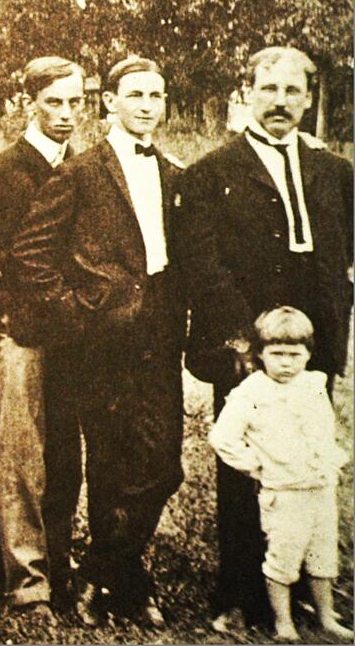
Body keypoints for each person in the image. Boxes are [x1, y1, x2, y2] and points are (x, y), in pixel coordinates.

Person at [176, 45, 353, 633]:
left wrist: (333, 325)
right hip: (249, 344)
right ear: (247, 92)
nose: (281, 102)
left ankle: (301, 585)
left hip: (315, 344)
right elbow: (202, 265)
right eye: (269, 89)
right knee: (249, 467)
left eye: (293, 92)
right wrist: (245, 340)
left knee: (303, 462)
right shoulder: (211, 174)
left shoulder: (335, 172)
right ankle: (242, 592)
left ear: (308, 97)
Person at [11, 56, 184, 628]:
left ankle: (100, 572)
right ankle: (128, 587)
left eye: (156, 96)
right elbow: (30, 256)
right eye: (134, 95)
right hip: (100, 340)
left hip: (158, 338)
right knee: (110, 462)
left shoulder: (174, 172)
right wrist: (78, 312)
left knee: (163, 464)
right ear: (109, 102)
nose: (146, 106)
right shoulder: (79, 173)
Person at [0, 57, 85, 627]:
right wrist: (3, 319)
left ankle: (62, 562)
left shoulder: (86, 167)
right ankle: (28, 583)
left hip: (74, 331)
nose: (67, 114)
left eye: (76, 103)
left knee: (68, 456)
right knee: (22, 461)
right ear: (28, 105)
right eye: (54, 102)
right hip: (22, 338)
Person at [207, 306, 352, 642]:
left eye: (294, 354)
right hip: (283, 491)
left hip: (319, 485)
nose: (286, 363)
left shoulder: (313, 385)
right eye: (277, 354)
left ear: (308, 354)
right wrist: (255, 463)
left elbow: (322, 429)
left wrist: (328, 460)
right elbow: (222, 438)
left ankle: (326, 615)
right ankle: (283, 621)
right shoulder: (251, 393)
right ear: (260, 354)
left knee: (322, 554)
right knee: (283, 556)